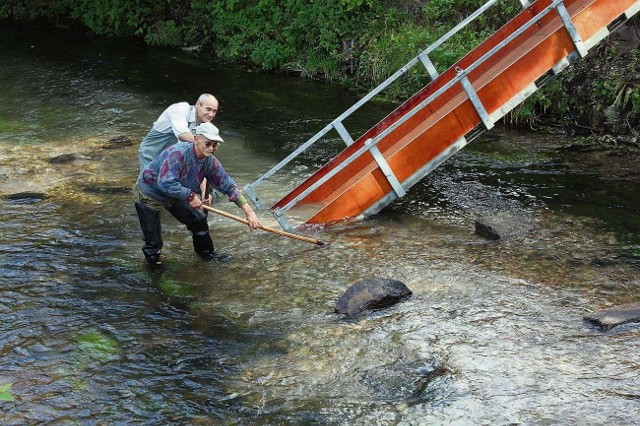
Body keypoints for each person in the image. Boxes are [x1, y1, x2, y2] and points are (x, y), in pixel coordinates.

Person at [134, 122, 262, 267]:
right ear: (196, 139)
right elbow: (165, 183)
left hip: (174, 192)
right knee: (153, 241)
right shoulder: (177, 154)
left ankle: (206, 254)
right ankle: (153, 267)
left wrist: (249, 212)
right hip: (149, 192)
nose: (211, 148)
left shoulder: (210, 161)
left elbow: (227, 185)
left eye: (215, 145)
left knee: (199, 220)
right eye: (208, 143)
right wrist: (190, 196)